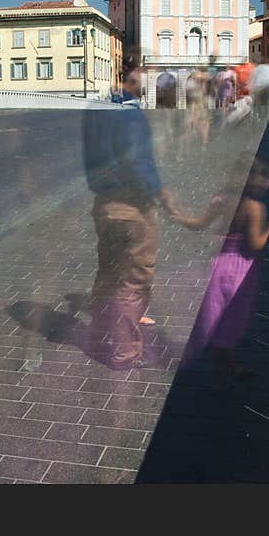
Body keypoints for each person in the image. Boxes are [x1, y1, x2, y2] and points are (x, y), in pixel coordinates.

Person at [83, 65, 180, 369]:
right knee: (133, 281)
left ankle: (100, 332)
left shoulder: (96, 112)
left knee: (107, 272)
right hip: (133, 207)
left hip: (104, 205)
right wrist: (161, 193)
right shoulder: (131, 115)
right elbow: (136, 162)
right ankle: (125, 353)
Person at [172, 156, 269, 382]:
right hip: (240, 269)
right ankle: (226, 364)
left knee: (215, 313)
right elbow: (255, 244)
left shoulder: (222, 199)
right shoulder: (255, 207)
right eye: (266, 178)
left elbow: (198, 224)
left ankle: (221, 362)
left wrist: (178, 215)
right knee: (233, 316)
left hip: (218, 265)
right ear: (251, 180)